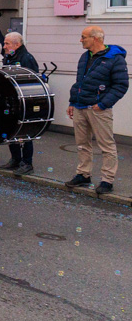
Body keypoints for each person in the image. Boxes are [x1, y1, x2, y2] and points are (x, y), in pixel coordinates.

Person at [65, 26, 128, 195]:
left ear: (96, 38)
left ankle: (107, 180)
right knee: (82, 144)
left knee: (106, 145)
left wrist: (103, 104)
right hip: (80, 106)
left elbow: (121, 85)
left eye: (83, 37)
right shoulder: (85, 57)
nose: (81, 40)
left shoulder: (115, 59)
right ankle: (83, 174)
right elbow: (79, 82)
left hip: (99, 109)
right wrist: (72, 101)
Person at [0, 32, 39, 174]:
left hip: (23, 99)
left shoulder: (26, 58)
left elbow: (33, 79)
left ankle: (27, 163)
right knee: (11, 129)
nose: (4, 46)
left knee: (25, 131)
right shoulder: (9, 57)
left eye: (7, 43)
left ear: (17, 44)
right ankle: (15, 158)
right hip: (11, 99)